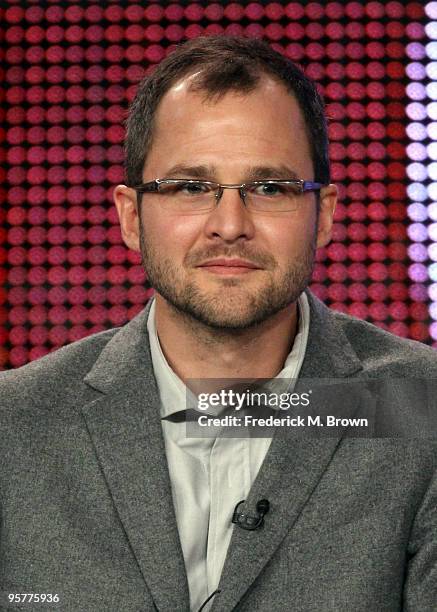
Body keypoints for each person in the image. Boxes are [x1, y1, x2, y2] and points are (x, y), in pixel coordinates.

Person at [0, 36, 436, 612]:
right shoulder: (14, 428)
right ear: (131, 217)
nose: (229, 224)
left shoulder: (421, 409)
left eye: (270, 188)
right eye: (190, 187)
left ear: (323, 215)